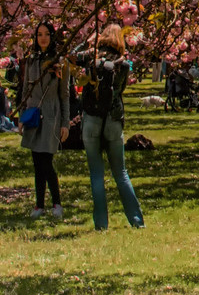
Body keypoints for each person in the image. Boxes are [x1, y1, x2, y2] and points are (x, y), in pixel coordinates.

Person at [75, 24, 145, 231]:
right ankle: (136, 221)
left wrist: (88, 41)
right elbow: (121, 89)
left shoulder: (90, 57)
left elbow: (71, 56)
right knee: (120, 172)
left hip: (91, 119)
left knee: (96, 173)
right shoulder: (123, 63)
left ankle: (101, 224)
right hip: (113, 119)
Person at [19, 23, 71, 220]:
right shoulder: (31, 61)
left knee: (46, 161)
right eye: (39, 34)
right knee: (36, 162)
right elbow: (26, 90)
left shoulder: (59, 62)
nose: (43, 38)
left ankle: (56, 202)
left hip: (51, 114)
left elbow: (65, 95)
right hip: (33, 113)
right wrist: (22, 117)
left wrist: (65, 123)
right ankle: (39, 204)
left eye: (47, 34)